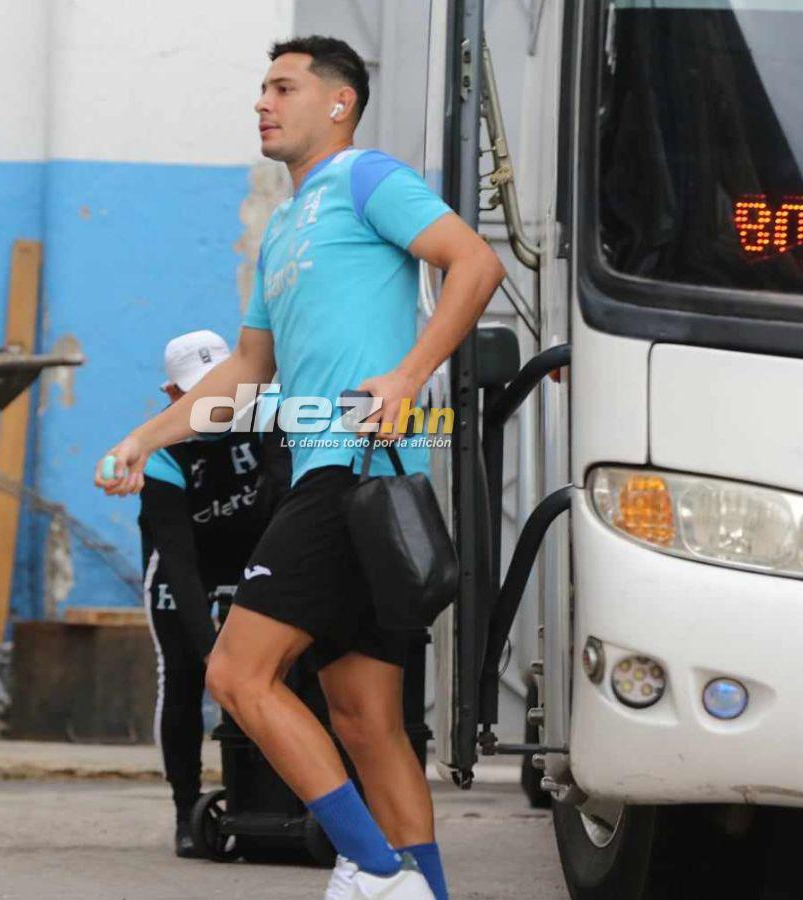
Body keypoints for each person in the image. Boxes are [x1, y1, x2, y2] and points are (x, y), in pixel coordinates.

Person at [95, 36, 503, 899]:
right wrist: (148, 437)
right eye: (261, 89)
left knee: (238, 675)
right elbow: (247, 373)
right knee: (364, 720)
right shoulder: (282, 226)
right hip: (332, 479)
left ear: (339, 102)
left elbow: (476, 263)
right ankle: (419, 892)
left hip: (356, 472)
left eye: (283, 87)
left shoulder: (368, 179)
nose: (263, 103)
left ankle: (376, 867)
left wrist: (408, 373)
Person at [111, 329, 287, 857]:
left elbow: (285, 504)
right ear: (173, 396)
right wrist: (213, 651)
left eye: (223, 388)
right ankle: (185, 807)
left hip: (257, 555)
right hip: (186, 570)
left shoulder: (272, 417)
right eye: (198, 393)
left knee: (280, 672)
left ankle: (284, 798)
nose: (217, 405)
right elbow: (181, 567)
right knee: (186, 675)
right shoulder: (162, 454)